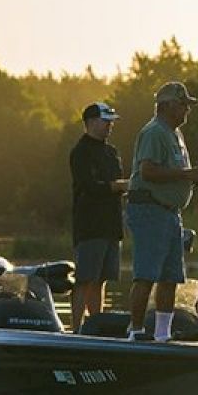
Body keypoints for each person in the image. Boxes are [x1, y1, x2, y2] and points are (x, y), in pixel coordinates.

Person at [124, 81, 198, 342]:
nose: (188, 109)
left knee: (170, 276)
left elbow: (175, 174)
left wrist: (195, 178)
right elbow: (148, 171)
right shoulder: (154, 132)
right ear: (169, 106)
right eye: (184, 104)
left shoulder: (176, 135)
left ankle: (163, 334)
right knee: (146, 275)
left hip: (170, 213)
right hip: (149, 211)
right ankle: (136, 332)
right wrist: (188, 174)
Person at [69, 101, 128, 332]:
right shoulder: (80, 152)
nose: (110, 126)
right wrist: (119, 186)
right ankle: (76, 329)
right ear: (91, 122)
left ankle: (96, 326)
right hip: (90, 225)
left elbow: (115, 184)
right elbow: (90, 186)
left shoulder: (111, 152)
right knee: (85, 278)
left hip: (111, 225)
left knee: (101, 279)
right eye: (106, 122)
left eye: (111, 122)